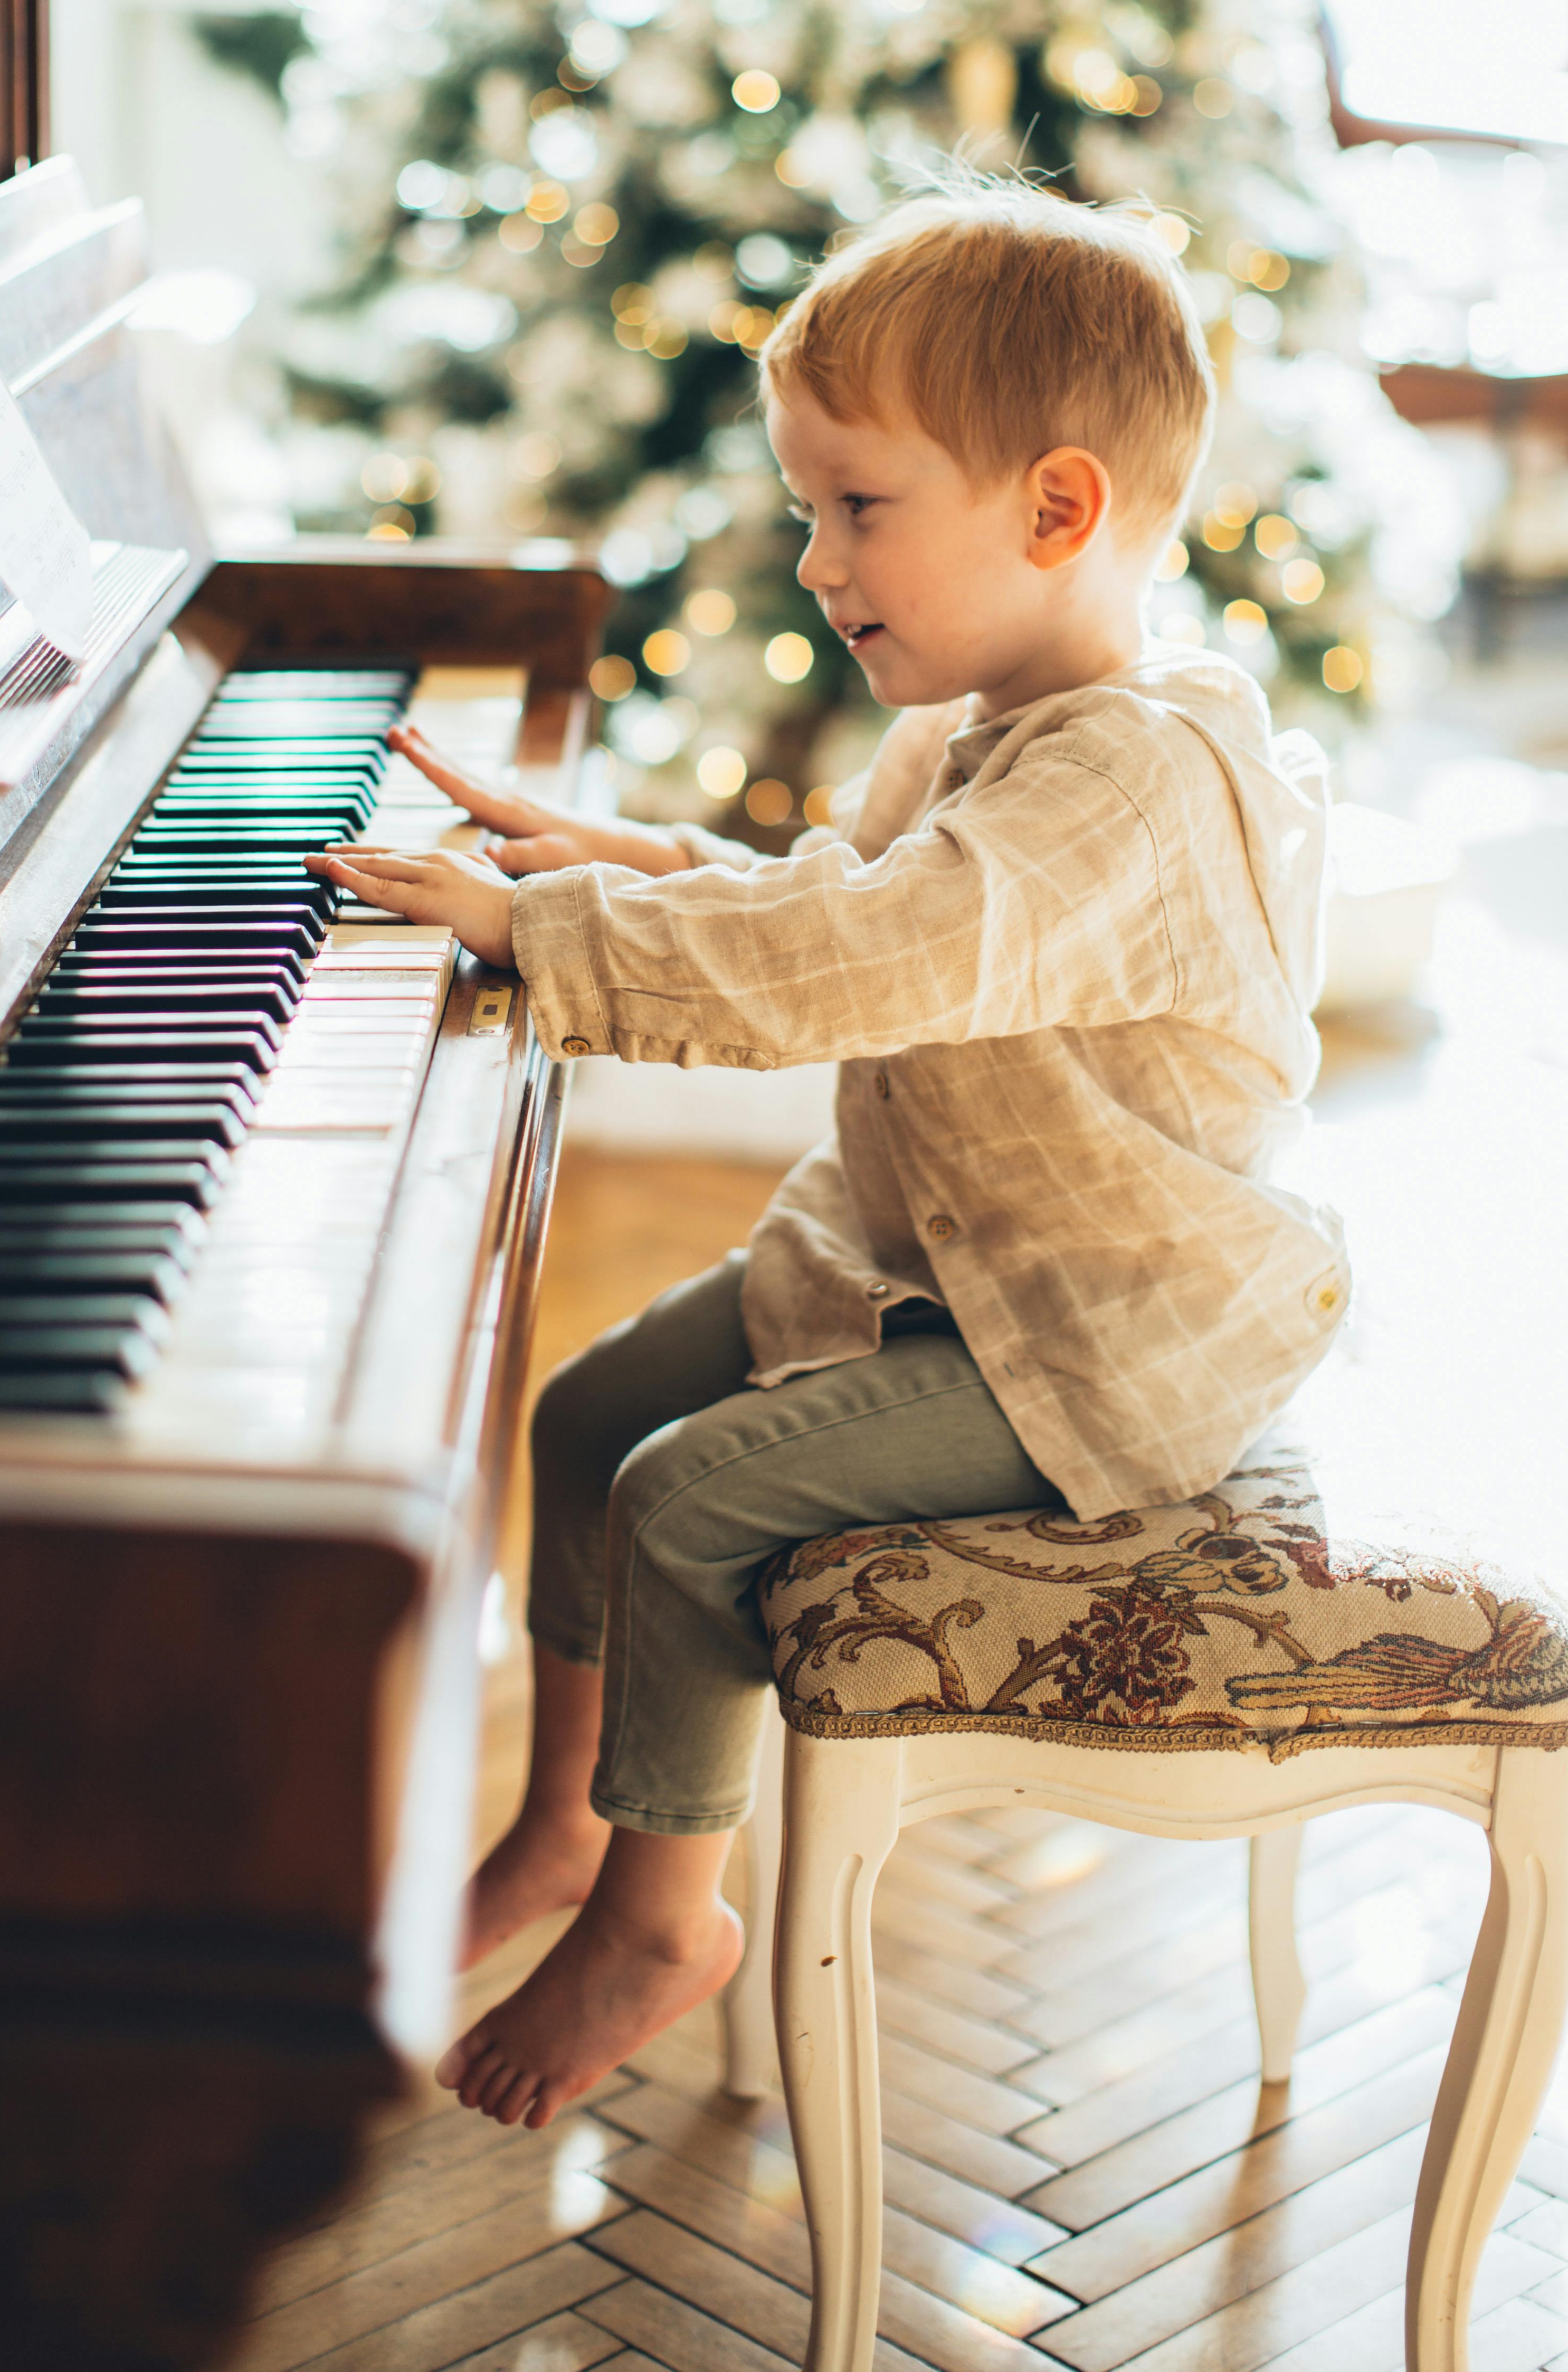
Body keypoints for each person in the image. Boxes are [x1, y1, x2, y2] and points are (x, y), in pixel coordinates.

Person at [306, 178, 1350, 2133]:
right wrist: (603, 860)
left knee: (690, 1493)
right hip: (944, 1266)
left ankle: (655, 1911)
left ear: (1055, 510)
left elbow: (859, 959)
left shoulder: (1123, 771)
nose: (811, 558)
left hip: (1098, 1344)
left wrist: (536, 939)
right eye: (810, 507)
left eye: (858, 507)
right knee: (591, 1407)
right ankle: (560, 1825)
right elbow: (862, 894)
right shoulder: (1005, 723)